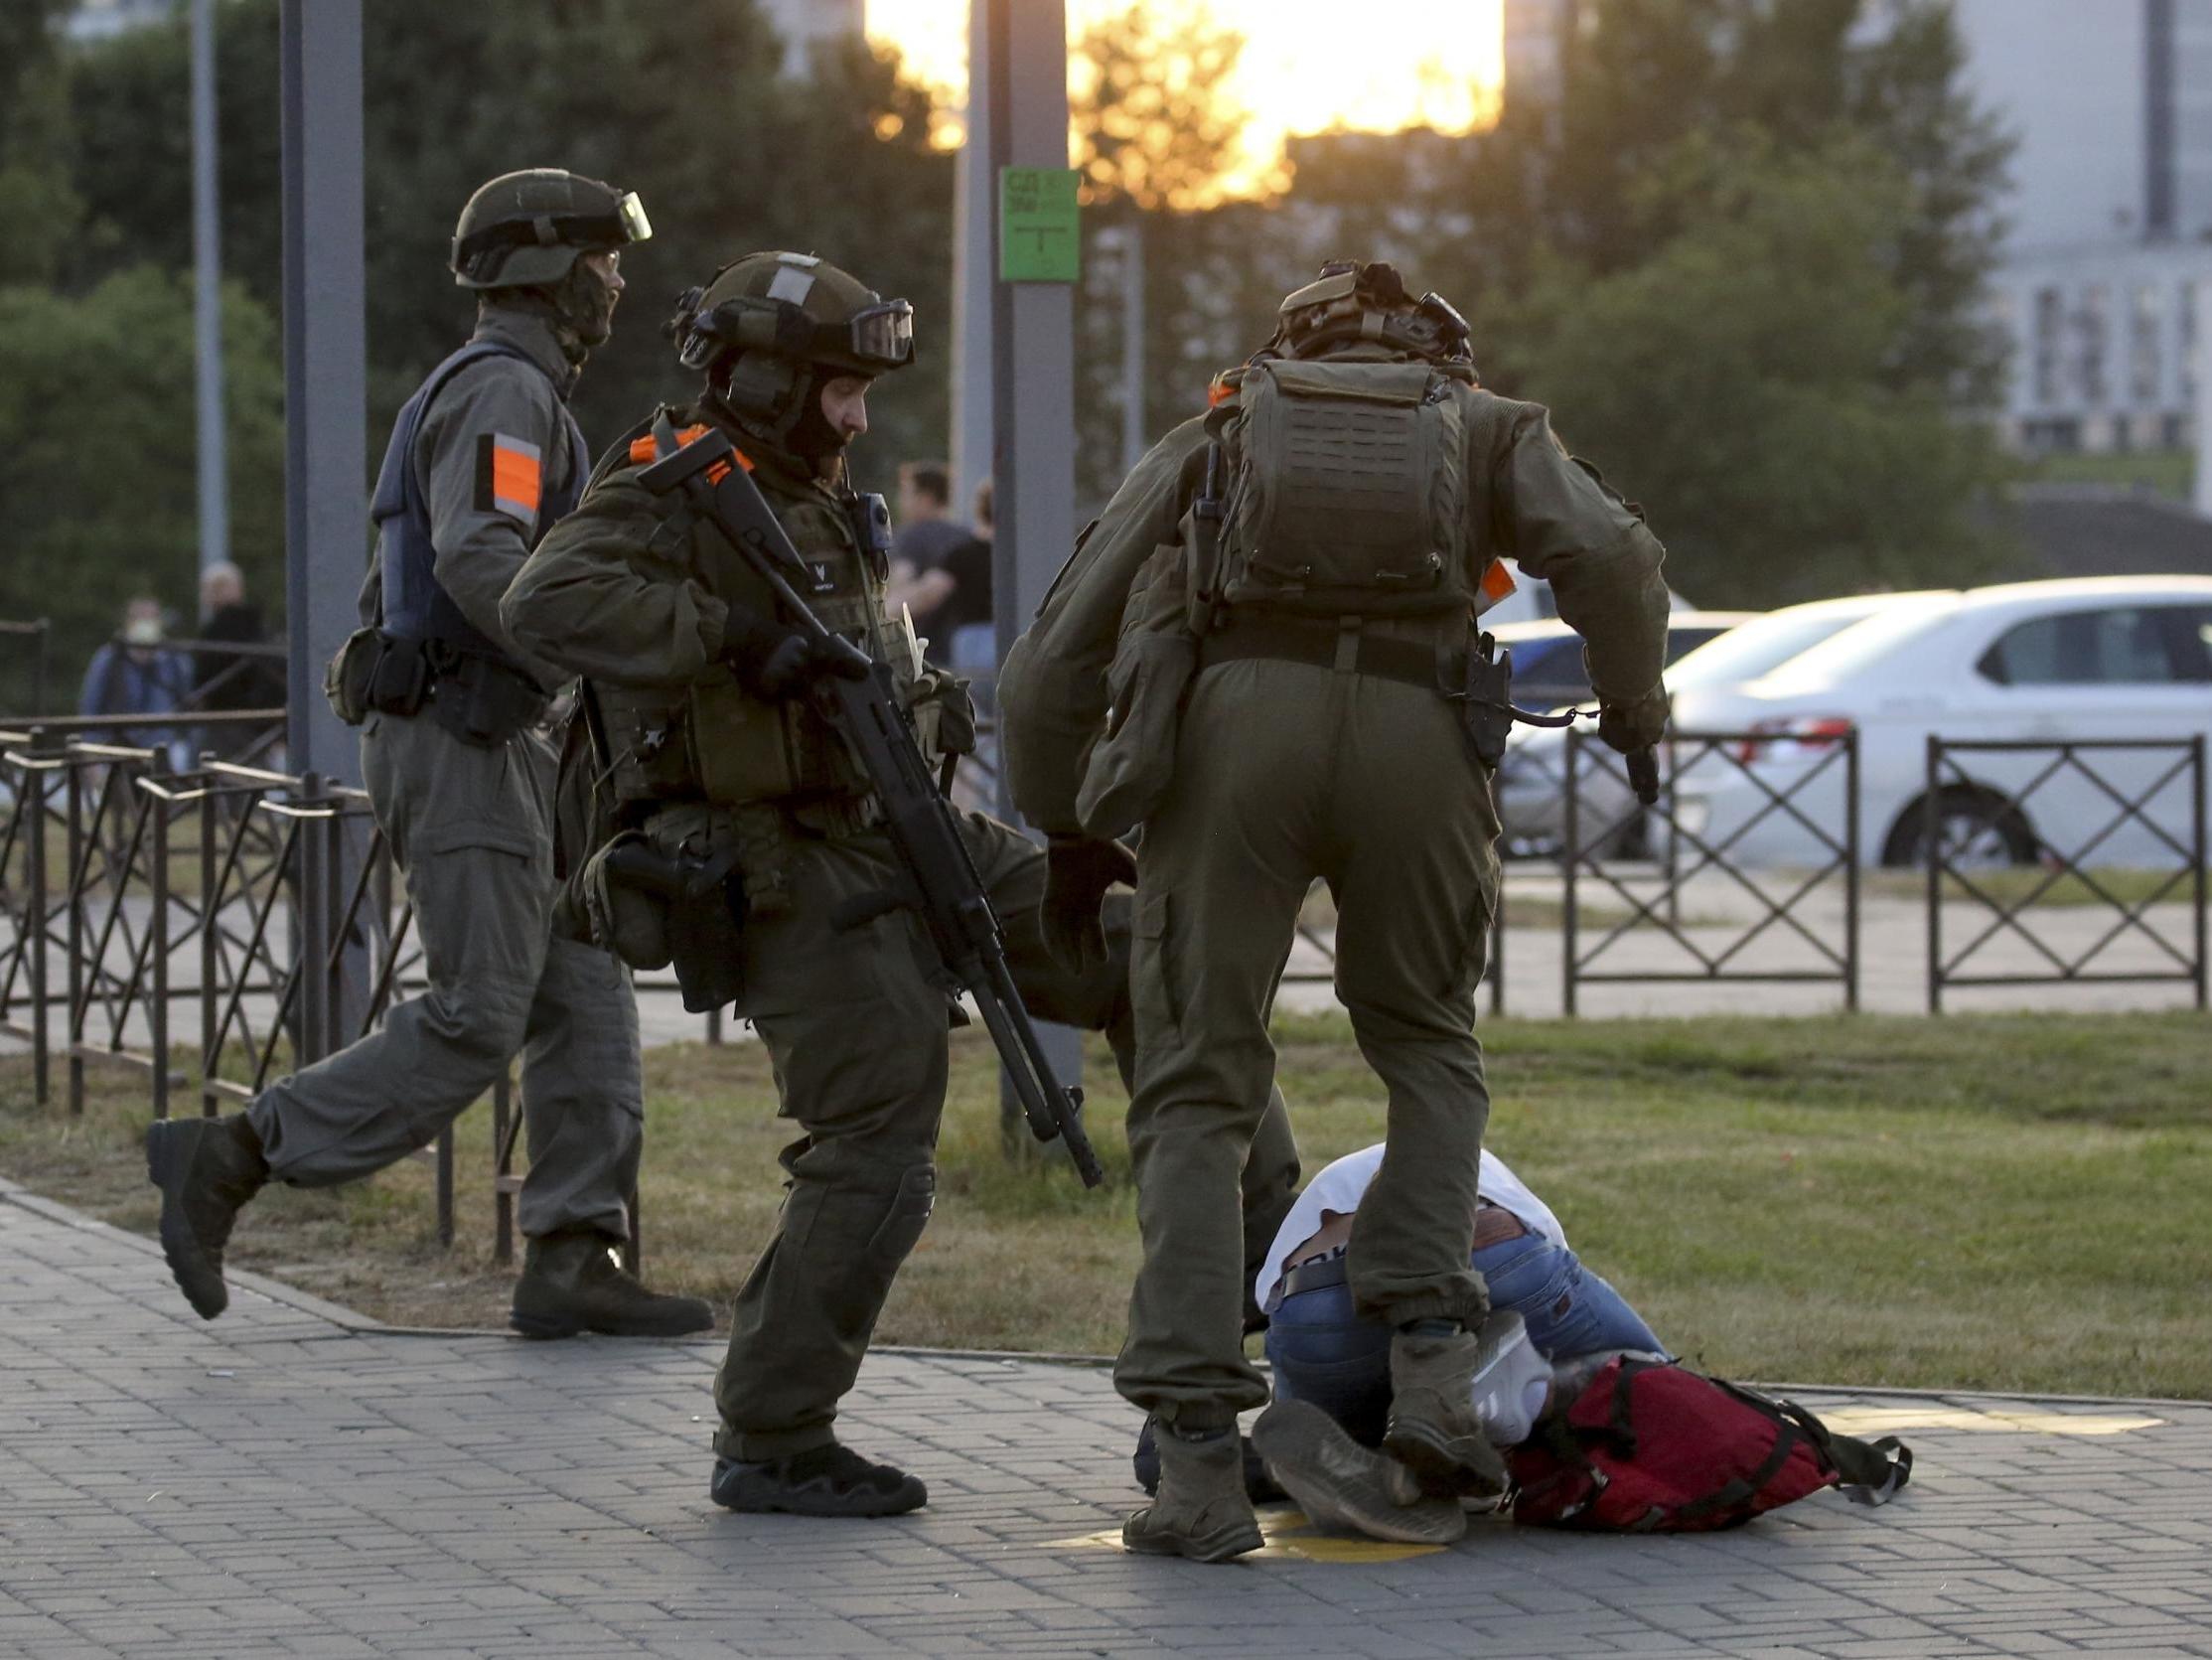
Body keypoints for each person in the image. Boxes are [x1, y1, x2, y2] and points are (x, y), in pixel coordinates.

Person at [498, 250, 1302, 1521]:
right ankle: (772, 1434)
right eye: (838, 390)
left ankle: (1214, 1373)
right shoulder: (669, 490)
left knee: (1159, 950)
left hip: (913, 827)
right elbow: (543, 597)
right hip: (786, 868)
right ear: (762, 379)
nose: (861, 418)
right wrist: (727, 638)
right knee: (878, 1154)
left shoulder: (799, 488)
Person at [1000, 258, 1672, 1563]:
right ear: (1437, 360)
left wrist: (1068, 823)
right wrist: (1637, 712)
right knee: (1426, 1049)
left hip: (1230, 742)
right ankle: (1432, 1382)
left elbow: (1049, 658)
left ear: (1288, 355)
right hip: (1422, 742)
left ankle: (1196, 1465)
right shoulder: (1487, 429)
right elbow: (1611, 555)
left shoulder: (1218, 434)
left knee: (1197, 1084)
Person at [145, 168, 712, 1343]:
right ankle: (235, 1152)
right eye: (601, 260)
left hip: (507, 736)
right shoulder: (504, 392)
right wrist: (609, 648)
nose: (616, 281)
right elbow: (483, 558)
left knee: (587, 992)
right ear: (545, 270)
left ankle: (571, 1250)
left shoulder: (523, 392)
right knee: (480, 1009)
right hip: (461, 734)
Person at [1247, 1141, 1667, 1543]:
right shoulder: (1472, 1154)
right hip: (1483, 1239)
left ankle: (1372, 1455)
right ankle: (1513, 1391)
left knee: (1325, 1419)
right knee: (1654, 1375)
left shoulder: (1344, 1177)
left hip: (1310, 1294)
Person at [79, 597, 193, 766]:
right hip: (116, 755)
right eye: (138, 617)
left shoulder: (175, 661)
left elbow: (191, 706)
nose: (144, 623)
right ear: (127, 622)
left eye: (150, 618)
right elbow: (89, 710)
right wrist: (90, 758)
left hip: (164, 756)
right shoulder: (108, 659)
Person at [191, 562, 285, 757]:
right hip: (261, 721)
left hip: (226, 721)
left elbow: (206, 677)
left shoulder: (217, 632)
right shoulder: (258, 627)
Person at [883, 460, 970, 661]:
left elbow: (900, 584)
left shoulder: (912, 536)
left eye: (906, 494)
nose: (900, 501)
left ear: (926, 498)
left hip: (922, 650)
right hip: (960, 650)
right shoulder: (965, 536)